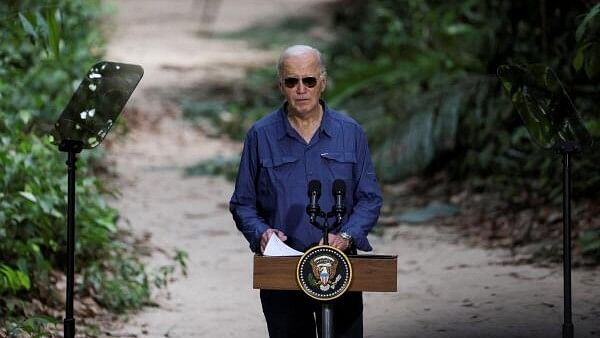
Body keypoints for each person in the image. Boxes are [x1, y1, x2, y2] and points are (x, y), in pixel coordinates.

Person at [229, 45, 382, 338]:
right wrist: (260, 233)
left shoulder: (350, 132)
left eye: (309, 80)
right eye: (292, 81)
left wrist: (347, 235)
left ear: (322, 82)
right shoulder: (261, 135)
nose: (301, 89)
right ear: (281, 86)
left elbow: (369, 198)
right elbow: (243, 204)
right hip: (282, 266)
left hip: (339, 266)